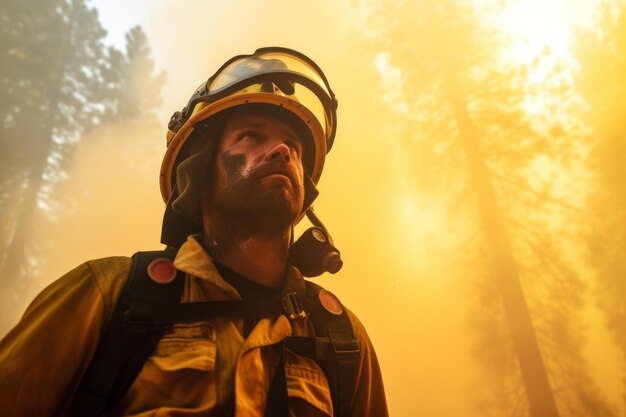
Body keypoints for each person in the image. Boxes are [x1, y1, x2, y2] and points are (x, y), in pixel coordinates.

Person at [0, 47, 388, 417]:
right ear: (198, 174)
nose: (282, 151)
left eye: (292, 145)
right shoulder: (108, 297)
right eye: (252, 136)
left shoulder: (342, 338)